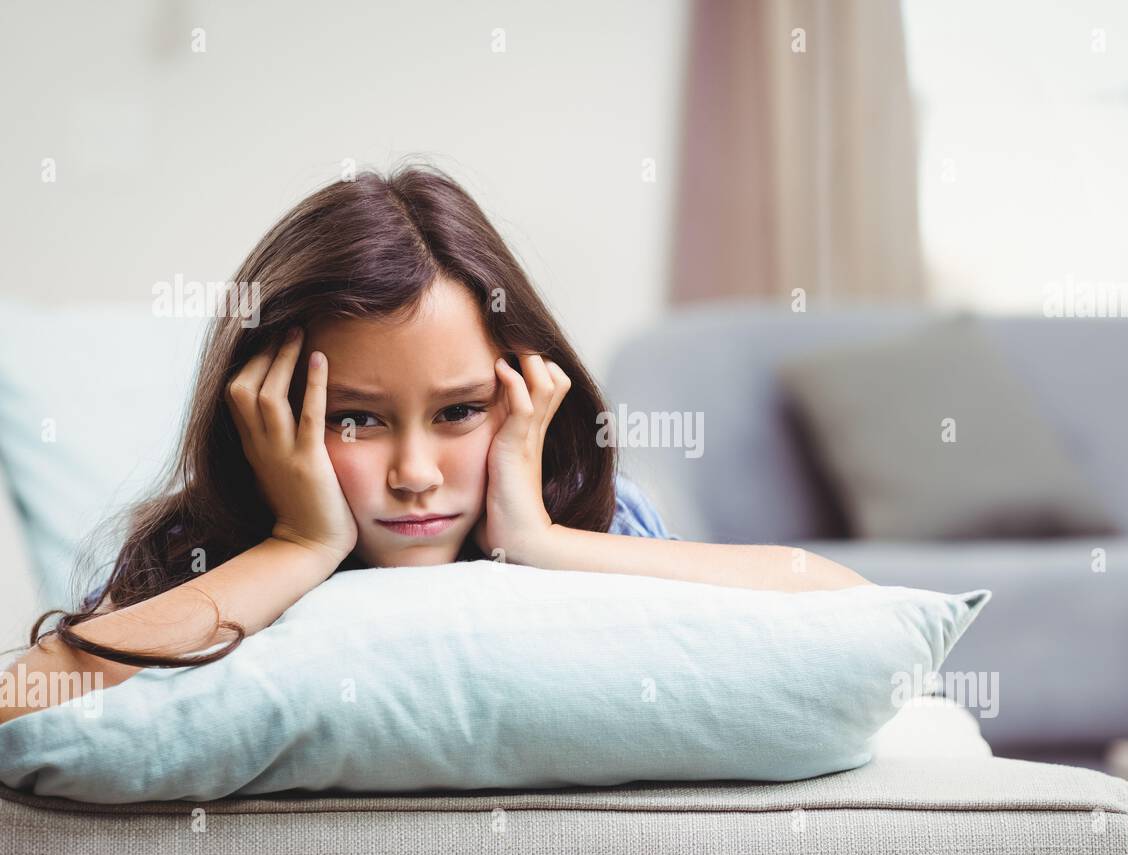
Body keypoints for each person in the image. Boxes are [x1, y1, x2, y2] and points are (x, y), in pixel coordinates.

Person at [0, 162, 870, 724]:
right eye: (355, 419)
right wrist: (300, 546)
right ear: (264, 414)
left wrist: (539, 542)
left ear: (526, 397)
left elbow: (844, 602)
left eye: (458, 412)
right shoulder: (205, 554)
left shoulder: (581, 516)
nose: (415, 476)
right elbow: (21, 700)